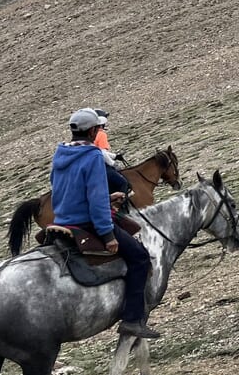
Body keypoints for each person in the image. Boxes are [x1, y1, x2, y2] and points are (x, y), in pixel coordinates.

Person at [51, 108, 158, 339]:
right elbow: (96, 201)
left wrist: (108, 198)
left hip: (62, 220)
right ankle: (132, 319)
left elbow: (68, 190)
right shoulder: (92, 157)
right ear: (91, 131)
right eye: (98, 129)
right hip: (86, 222)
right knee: (139, 257)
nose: (98, 132)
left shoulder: (60, 154)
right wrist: (108, 235)